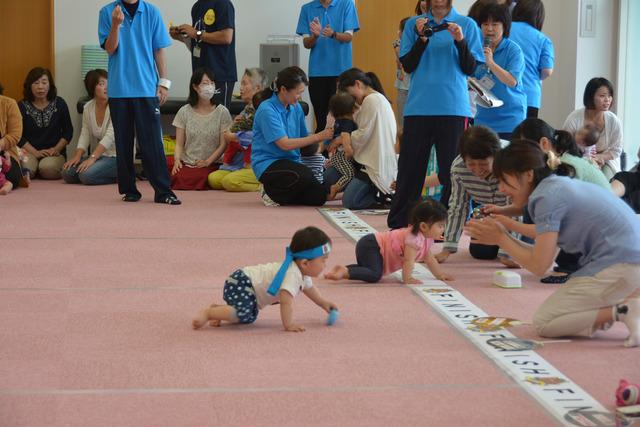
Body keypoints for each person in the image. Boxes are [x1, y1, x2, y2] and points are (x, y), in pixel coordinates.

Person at [466, 140, 640, 348]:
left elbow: (540, 266)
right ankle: (617, 309)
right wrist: (504, 231)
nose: (502, 189)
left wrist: (502, 238)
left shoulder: (547, 197)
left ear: (528, 174)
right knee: (561, 314)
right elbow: (544, 252)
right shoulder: (554, 187)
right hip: (624, 262)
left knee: (545, 322)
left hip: (619, 265)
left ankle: (623, 310)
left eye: (504, 180)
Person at [388, 0, 484, 229]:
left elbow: (471, 68)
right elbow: (408, 66)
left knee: (451, 171)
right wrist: (421, 38)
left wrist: (460, 41)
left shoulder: (467, 24)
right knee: (410, 168)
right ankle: (402, 221)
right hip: (418, 107)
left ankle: (451, 222)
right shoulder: (414, 24)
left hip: (453, 107)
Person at [492, 119, 611, 284]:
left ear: (544, 143)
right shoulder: (551, 175)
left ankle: (567, 266)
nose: (501, 189)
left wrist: (503, 231)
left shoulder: (560, 174)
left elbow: (541, 258)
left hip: (605, 241)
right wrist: (502, 212)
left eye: (523, 150)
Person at [99, 0, 181, 204]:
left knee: (152, 142)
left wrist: (163, 83)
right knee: (124, 142)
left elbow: (159, 50)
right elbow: (110, 48)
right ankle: (129, 190)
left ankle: (163, 191)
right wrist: (116, 25)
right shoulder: (107, 12)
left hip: (146, 87)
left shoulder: (152, 11)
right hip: (119, 89)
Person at [192, 226, 337, 332]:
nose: (325, 264)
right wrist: (288, 324)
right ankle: (208, 313)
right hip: (243, 283)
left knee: (249, 317)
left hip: (244, 283)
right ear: (305, 263)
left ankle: (218, 310)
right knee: (243, 314)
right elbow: (286, 302)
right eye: (323, 260)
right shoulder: (292, 274)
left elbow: (310, 289)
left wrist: (323, 303)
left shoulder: (300, 273)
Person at [434, 126, 516, 267]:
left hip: (522, 213)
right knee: (481, 251)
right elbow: (458, 206)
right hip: (491, 214)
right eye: (471, 164)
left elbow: (515, 209)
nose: (477, 170)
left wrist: (507, 253)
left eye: (483, 164)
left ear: (495, 156)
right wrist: (447, 248)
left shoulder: (511, 163)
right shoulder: (459, 168)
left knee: (525, 244)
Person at [251, 66, 333, 207]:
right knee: (304, 175)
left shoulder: (296, 108)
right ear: (283, 90)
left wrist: (327, 142)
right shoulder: (267, 109)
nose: (300, 97)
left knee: (319, 197)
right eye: (298, 93)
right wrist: (319, 136)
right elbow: (285, 144)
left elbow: (305, 142)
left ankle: (280, 196)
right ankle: (270, 191)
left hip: (293, 162)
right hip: (268, 163)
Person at [325, 199, 453, 284]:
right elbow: (408, 261)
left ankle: (343, 269)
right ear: (424, 226)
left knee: (370, 269)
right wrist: (407, 278)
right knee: (375, 275)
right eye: (440, 226)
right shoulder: (414, 238)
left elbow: (430, 259)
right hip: (371, 245)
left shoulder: (426, 239)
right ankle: (345, 272)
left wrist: (439, 275)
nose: (443, 229)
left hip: (371, 245)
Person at [324, 68, 397, 209]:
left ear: (357, 84)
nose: (349, 99)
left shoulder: (372, 100)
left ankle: (380, 197)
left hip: (372, 163)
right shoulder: (371, 100)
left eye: (348, 93)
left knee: (350, 201)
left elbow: (363, 135)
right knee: (327, 180)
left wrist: (340, 140)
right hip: (362, 159)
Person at [296, 0, 360, 133]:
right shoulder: (307, 8)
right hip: (317, 72)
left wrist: (333, 34)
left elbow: (348, 36)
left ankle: (343, 149)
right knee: (321, 119)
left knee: (343, 117)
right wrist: (314, 36)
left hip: (342, 72)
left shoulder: (346, 4)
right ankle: (322, 152)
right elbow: (306, 43)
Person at [171, 68, 232, 190]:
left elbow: (223, 145)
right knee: (174, 174)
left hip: (212, 163)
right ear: (195, 87)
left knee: (202, 178)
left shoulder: (222, 112)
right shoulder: (184, 111)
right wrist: (177, 160)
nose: (209, 86)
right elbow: (179, 144)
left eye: (212, 83)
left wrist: (207, 162)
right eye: (205, 83)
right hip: (188, 162)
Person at [208, 68, 268, 192]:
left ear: (257, 88)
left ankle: (265, 186)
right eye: (241, 83)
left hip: (258, 162)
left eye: (245, 84)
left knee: (230, 182)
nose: (240, 88)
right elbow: (230, 132)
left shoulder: (266, 109)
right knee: (213, 179)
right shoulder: (247, 108)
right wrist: (232, 129)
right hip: (240, 162)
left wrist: (236, 136)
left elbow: (259, 135)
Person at [472, 3, 526, 139]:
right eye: (485, 24)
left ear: (504, 26)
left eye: (495, 24)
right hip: (483, 120)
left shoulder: (513, 50)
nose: (489, 29)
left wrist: (490, 62)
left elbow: (512, 81)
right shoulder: (476, 49)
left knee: (507, 160)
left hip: (510, 120)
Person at [170, 0, 237, 107]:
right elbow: (199, 42)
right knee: (196, 116)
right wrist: (181, 37)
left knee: (218, 119)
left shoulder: (223, 3)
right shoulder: (197, 6)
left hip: (219, 75)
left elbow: (226, 37)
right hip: (199, 75)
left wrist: (196, 33)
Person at [62, 69, 117, 185]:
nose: (106, 87)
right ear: (92, 88)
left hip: (116, 157)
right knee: (67, 172)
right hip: (99, 156)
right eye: (102, 84)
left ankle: (121, 175)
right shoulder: (88, 107)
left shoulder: (117, 105)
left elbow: (110, 136)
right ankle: (97, 169)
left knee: (86, 176)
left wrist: (92, 158)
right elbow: (85, 133)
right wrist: (78, 156)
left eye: (108, 83)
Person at [18, 67, 73, 180]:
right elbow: (18, 135)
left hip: (54, 153)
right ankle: (36, 167)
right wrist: (35, 152)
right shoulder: (21, 106)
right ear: (29, 86)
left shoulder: (60, 103)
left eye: (44, 82)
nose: (40, 87)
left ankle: (42, 168)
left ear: (50, 84)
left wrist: (56, 149)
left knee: (48, 170)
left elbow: (68, 132)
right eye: (36, 83)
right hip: (29, 152)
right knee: (27, 169)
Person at [563, 77, 623, 180]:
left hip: (606, 160)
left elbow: (617, 150)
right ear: (591, 97)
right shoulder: (575, 118)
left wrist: (599, 158)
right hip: (578, 158)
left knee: (603, 181)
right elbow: (564, 143)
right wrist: (584, 160)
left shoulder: (614, 121)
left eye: (609, 96)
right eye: (602, 96)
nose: (607, 99)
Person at [509, 0, 554, 119]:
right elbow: (547, 71)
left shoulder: (505, 29)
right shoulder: (543, 39)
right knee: (526, 135)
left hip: (505, 91)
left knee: (501, 135)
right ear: (538, 16)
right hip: (530, 95)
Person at [326, 91, 357, 200]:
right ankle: (335, 187)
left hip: (336, 156)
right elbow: (345, 136)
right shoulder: (347, 122)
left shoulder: (338, 121)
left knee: (348, 172)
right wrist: (348, 150)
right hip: (341, 155)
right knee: (349, 174)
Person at [0, 82, 25, 191]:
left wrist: (1, 144)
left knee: (12, 176)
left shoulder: (9, 103)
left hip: (4, 152)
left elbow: (15, 134)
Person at [393, 17, 411, 136]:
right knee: (402, 125)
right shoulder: (398, 44)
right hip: (403, 87)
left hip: (414, 88)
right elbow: (401, 63)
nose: (398, 32)